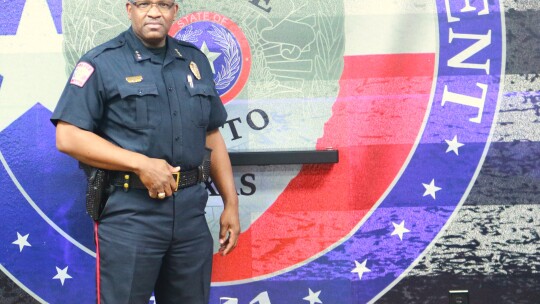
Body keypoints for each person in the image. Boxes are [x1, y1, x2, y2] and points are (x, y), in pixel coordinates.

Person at [51, 1, 240, 303]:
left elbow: (211, 134)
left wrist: (231, 201)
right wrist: (139, 163)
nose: (154, 12)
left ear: (174, 10)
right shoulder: (102, 62)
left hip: (190, 214)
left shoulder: (193, 61)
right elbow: (68, 136)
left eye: (163, 4)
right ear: (129, 9)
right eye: (144, 4)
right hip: (132, 214)